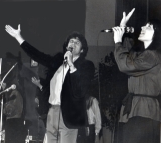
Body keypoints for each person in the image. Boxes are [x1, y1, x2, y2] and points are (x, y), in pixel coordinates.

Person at [5, 24, 95, 143]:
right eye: (71, 41)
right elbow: (38, 56)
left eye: (77, 43)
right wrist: (18, 37)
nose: (72, 44)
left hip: (69, 114)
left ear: (82, 50)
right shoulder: (58, 61)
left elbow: (81, 89)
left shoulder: (86, 66)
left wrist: (72, 65)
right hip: (52, 111)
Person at [112, 8, 161, 143]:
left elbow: (125, 65)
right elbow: (127, 57)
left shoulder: (152, 56)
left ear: (156, 34)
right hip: (133, 109)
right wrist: (122, 28)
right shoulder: (140, 54)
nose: (144, 27)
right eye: (144, 25)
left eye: (149, 26)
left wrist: (117, 41)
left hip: (144, 111)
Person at [32, 77, 101, 143]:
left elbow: (98, 118)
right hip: (78, 129)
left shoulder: (92, 101)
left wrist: (97, 134)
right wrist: (40, 86)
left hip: (90, 129)